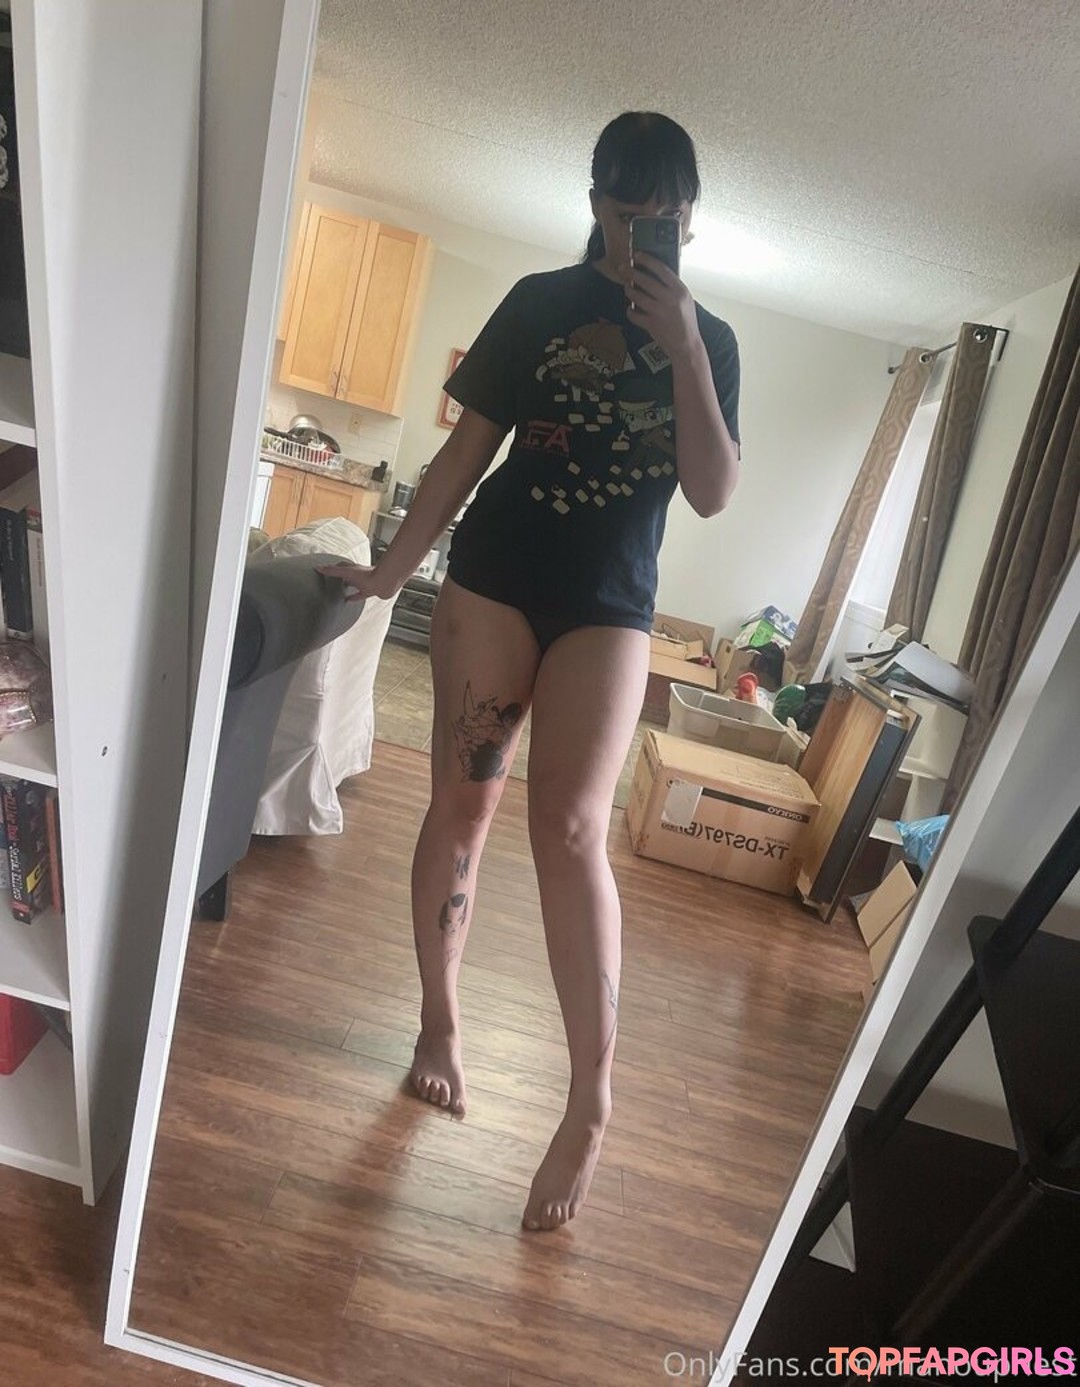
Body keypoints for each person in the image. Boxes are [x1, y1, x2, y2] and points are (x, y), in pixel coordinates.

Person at [318, 111, 741, 1233]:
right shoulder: (537, 304)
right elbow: (466, 454)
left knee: (572, 829)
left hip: (612, 605)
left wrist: (685, 349)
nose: (646, 231)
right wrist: (389, 571)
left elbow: (711, 492)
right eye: (628, 210)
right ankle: (440, 1020)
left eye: (668, 214)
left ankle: (591, 1099)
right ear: (595, 203)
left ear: (691, 217)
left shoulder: (713, 340)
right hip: (495, 579)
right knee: (462, 806)